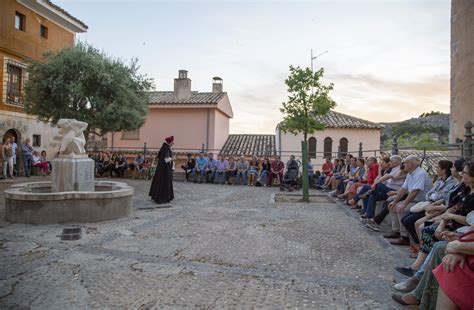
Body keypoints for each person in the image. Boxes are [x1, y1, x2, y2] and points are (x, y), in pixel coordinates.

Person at [385, 155, 433, 246]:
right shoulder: (410, 173)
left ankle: (405, 237)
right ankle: (396, 231)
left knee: (401, 208)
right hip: (414, 201)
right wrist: (395, 201)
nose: (403, 164)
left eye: (405, 162)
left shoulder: (420, 173)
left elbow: (415, 192)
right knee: (392, 206)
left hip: (421, 202)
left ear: (411, 164)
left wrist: (404, 203)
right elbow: (403, 189)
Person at [149, 136, 174, 204]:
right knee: (164, 182)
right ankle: (163, 197)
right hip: (164, 170)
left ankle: (157, 196)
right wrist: (172, 159)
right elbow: (166, 159)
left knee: (159, 182)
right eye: (172, 142)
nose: (173, 144)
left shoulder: (164, 148)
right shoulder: (166, 149)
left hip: (161, 168)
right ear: (170, 142)